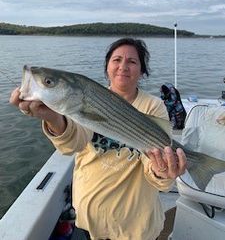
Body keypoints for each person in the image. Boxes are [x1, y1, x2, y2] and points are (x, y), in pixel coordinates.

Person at [10, 38, 187, 240]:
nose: (123, 67)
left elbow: (156, 175)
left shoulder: (153, 106)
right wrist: (51, 117)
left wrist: (162, 170)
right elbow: (72, 143)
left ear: (142, 70)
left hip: (135, 226)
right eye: (116, 59)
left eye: (132, 61)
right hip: (90, 219)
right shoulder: (82, 101)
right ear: (107, 67)